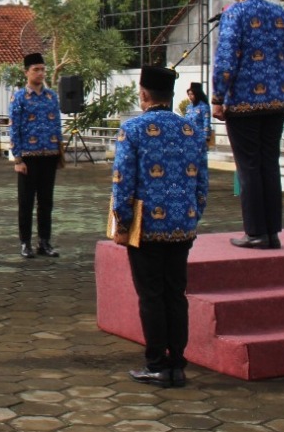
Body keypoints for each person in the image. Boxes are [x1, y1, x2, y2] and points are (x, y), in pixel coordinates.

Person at [111, 65, 208, 388]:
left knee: (151, 296)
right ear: (172, 95)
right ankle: (177, 365)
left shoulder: (133, 129)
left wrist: (121, 222)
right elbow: (202, 184)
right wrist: (192, 216)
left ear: (143, 94)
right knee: (176, 295)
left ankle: (156, 364)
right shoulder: (191, 130)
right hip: (182, 226)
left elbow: (122, 182)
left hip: (147, 227)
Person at [212, 0, 284, 250]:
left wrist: (218, 97)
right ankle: (272, 232)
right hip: (276, 103)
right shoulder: (281, 15)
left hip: (244, 106)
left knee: (248, 168)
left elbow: (226, 60)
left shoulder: (233, 15)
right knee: (268, 165)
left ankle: (255, 233)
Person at [10, 53, 63, 259]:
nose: (40, 73)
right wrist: (18, 158)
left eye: (43, 69)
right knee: (26, 202)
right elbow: (15, 129)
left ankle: (44, 242)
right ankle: (25, 243)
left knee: (46, 202)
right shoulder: (20, 97)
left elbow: (57, 126)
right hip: (28, 158)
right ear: (26, 72)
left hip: (49, 155)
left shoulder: (52, 97)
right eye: (36, 70)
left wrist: (59, 154)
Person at [185, 83, 212, 148]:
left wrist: (206, 137)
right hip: (188, 136)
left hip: (199, 137)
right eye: (189, 94)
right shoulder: (189, 107)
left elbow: (206, 122)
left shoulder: (203, 107)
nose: (190, 96)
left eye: (192, 94)